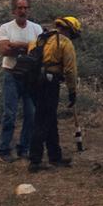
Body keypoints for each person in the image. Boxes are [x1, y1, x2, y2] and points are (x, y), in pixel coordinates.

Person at [26, 15, 81, 172]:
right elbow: (70, 70)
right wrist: (72, 91)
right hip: (49, 84)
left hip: (33, 83)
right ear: (70, 30)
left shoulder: (39, 39)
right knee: (43, 121)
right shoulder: (64, 42)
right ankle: (35, 160)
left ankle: (55, 156)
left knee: (50, 119)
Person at [0, 0, 42, 163]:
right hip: (12, 74)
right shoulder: (5, 28)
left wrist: (16, 45)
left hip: (30, 77)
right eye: (20, 8)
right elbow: (4, 50)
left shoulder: (36, 29)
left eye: (25, 8)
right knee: (10, 114)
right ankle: (4, 149)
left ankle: (24, 148)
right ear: (13, 10)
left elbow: (40, 52)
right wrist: (28, 47)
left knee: (31, 114)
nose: (23, 11)